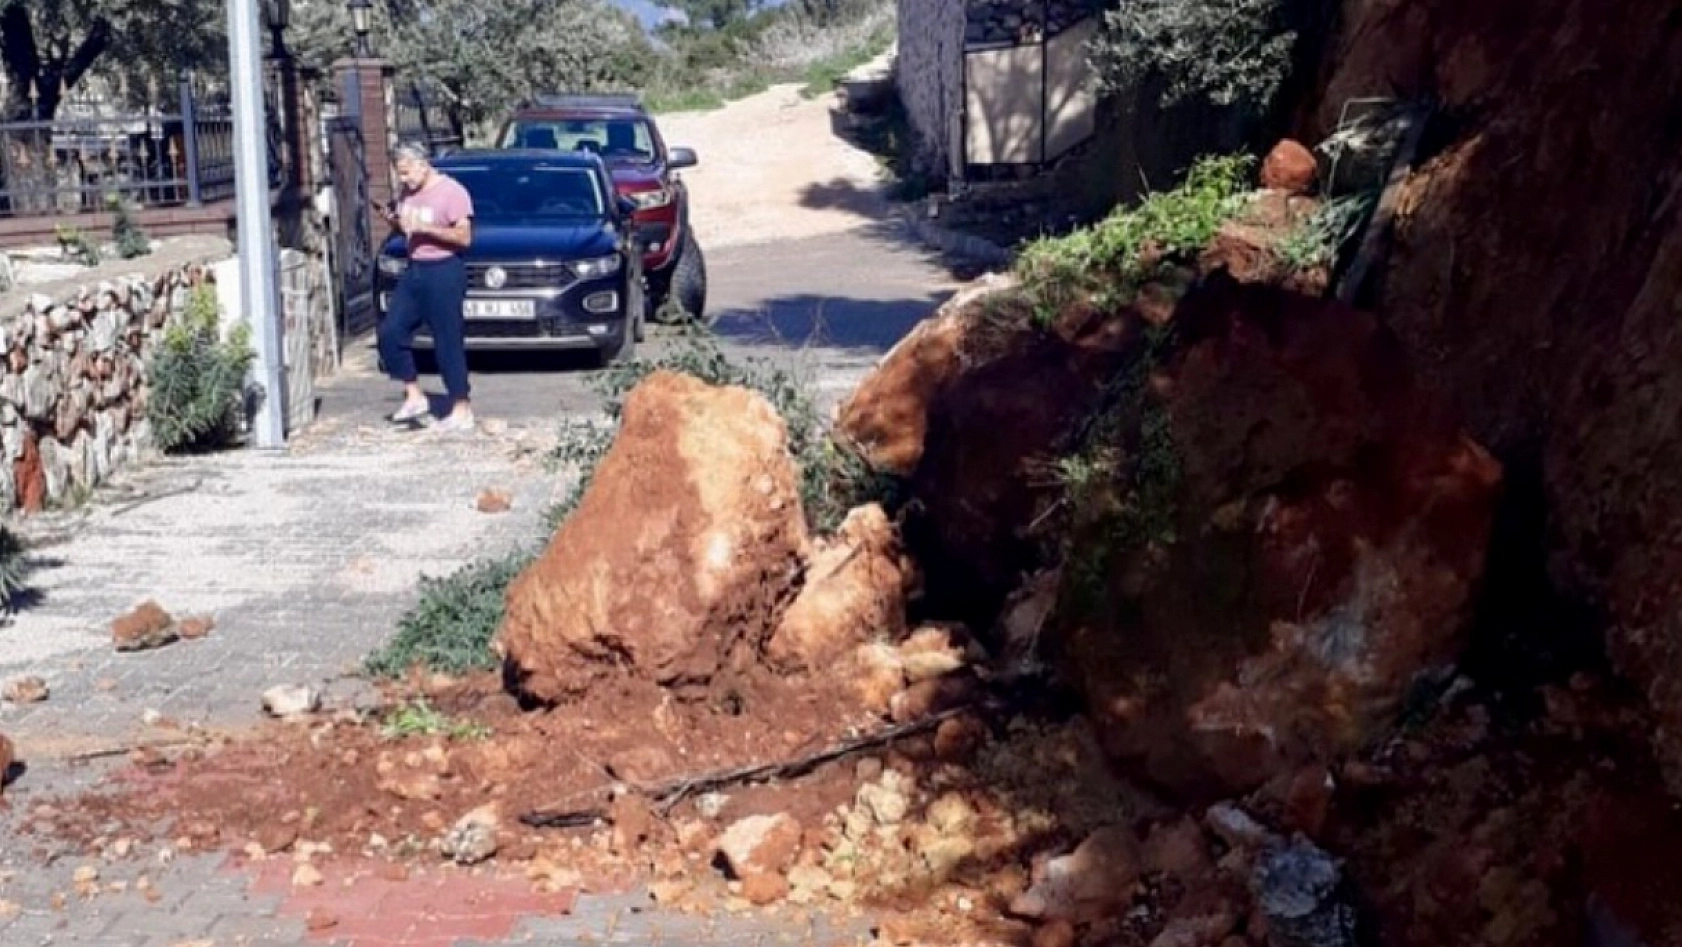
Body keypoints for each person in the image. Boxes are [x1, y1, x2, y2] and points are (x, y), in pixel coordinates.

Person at [377, 141, 476, 431]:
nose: (404, 180)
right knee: (391, 332)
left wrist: (426, 229)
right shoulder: (407, 193)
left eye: (407, 173)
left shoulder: (452, 192)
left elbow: (464, 237)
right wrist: (395, 223)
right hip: (415, 268)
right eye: (400, 175)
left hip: (444, 269)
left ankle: (461, 407)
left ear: (423, 164)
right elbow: (407, 227)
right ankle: (414, 395)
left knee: (447, 340)